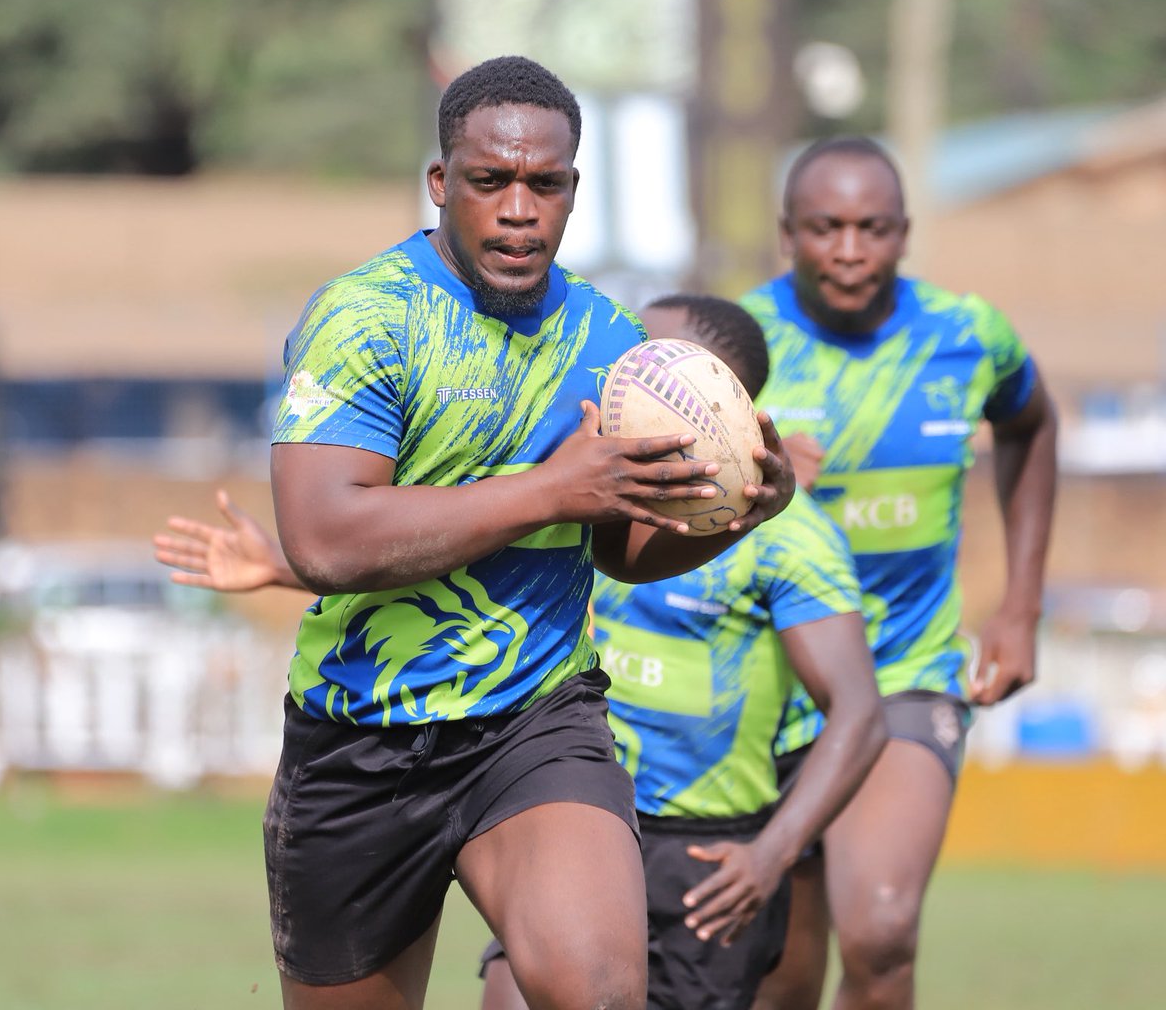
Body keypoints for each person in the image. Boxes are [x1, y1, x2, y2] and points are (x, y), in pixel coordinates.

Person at [248, 55, 795, 1010]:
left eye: (544, 185)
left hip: (534, 722)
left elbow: (625, 553)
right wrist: (549, 490)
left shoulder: (610, 344)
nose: (517, 209)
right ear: (441, 184)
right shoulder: (367, 319)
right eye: (489, 181)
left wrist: (737, 515)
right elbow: (325, 540)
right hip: (359, 740)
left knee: (600, 992)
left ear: (574, 191)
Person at [156, 293, 882, 1010]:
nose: (620, 381)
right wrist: (292, 565)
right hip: (468, 778)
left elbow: (856, 711)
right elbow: (474, 571)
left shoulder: (781, 534)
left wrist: (773, 852)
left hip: (662, 827)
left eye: (652, 370)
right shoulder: (587, 472)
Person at [740, 136, 1058, 1010]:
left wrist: (1021, 604)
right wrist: (757, 491)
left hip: (903, 677)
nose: (849, 250)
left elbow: (1033, 425)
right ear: (787, 234)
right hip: (767, 686)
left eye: (872, 228)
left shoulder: (967, 335)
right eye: (826, 228)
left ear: (905, 232)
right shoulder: (737, 347)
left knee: (881, 929)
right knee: (780, 974)